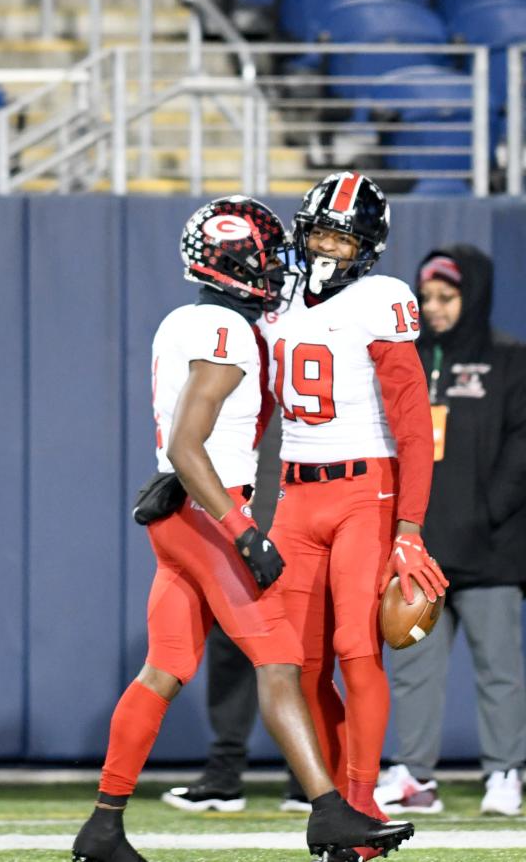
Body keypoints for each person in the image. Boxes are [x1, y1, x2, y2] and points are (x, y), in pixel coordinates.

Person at [71, 196, 413, 862]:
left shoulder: (185, 321)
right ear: (238, 264)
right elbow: (189, 442)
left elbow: (183, 439)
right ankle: (329, 812)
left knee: (164, 669)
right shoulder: (225, 331)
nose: (280, 265)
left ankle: (104, 825)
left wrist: (189, 482)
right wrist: (244, 530)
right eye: (266, 255)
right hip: (210, 513)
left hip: (182, 513)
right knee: (282, 663)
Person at [260, 172, 448, 860]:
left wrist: (410, 525)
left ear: (367, 245)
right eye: (318, 232)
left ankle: (364, 801)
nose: (326, 246)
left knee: (355, 648)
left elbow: (413, 425)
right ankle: (335, 801)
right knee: (296, 665)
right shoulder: (276, 297)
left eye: (340, 235)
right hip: (292, 493)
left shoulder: (383, 299)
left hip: (362, 489)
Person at [375, 246, 526, 817]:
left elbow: (522, 447)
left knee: (500, 671)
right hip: (420, 551)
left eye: (447, 297)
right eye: (427, 297)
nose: (434, 308)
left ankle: (505, 774)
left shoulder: (512, 359)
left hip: (493, 549)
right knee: (414, 668)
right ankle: (414, 776)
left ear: (474, 295)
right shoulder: (403, 358)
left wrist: (487, 511)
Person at [160, 625, 310, 813]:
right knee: (233, 648)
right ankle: (225, 777)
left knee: (304, 659)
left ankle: (307, 780)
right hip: (239, 597)